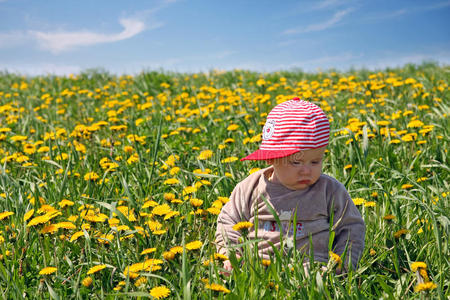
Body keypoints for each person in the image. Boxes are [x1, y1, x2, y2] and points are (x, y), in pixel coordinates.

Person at [215, 97, 365, 273]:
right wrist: (232, 254)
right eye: (296, 163)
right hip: (256, 267)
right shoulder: (251, 187)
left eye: (315, 161)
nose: (306, 170)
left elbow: (352, 227)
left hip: (313, 270)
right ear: (272, 158)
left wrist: (342, 264)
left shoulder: (329, 190)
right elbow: (228, 221)